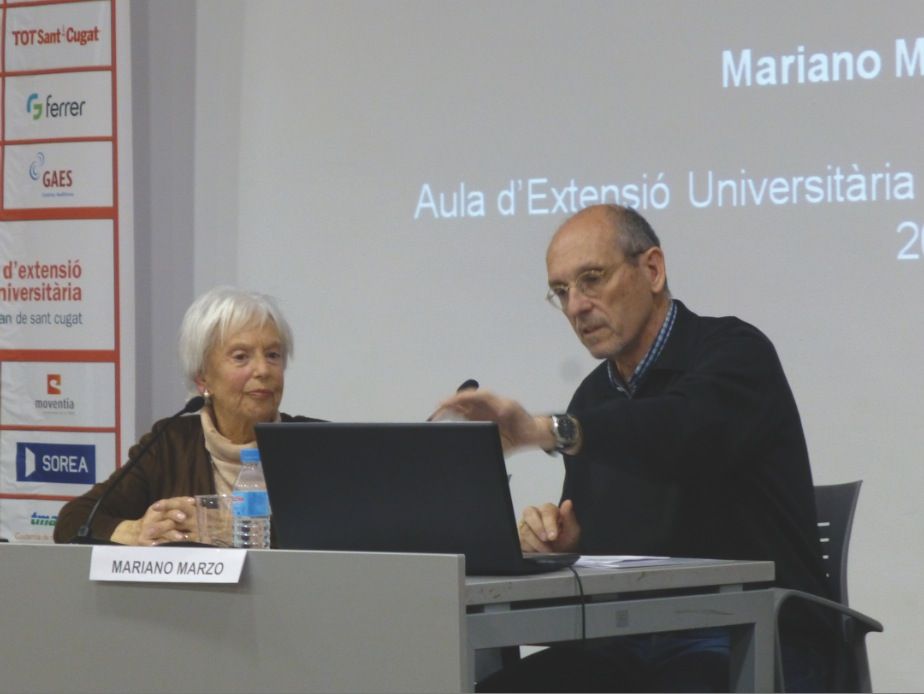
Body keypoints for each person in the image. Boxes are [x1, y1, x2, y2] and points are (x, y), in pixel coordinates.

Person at [435, 204, 838, 692]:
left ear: (652, 269)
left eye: (592, 279)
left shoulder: (736, 353)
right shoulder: (593, 395)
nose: (577, 307)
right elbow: (603, 534)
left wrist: (546, 430)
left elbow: (676, 429)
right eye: (561, 292)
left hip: (753, 636)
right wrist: (562, 541)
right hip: (630, 638)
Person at [53, 286, 320, 546]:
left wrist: (237, 531)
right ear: (203, 378)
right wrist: (135, 531)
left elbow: (349, 536)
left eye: (273, 355)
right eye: (241, 357)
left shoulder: (316, 443)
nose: (263, 369)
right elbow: (73, 521)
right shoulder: (170, 443)